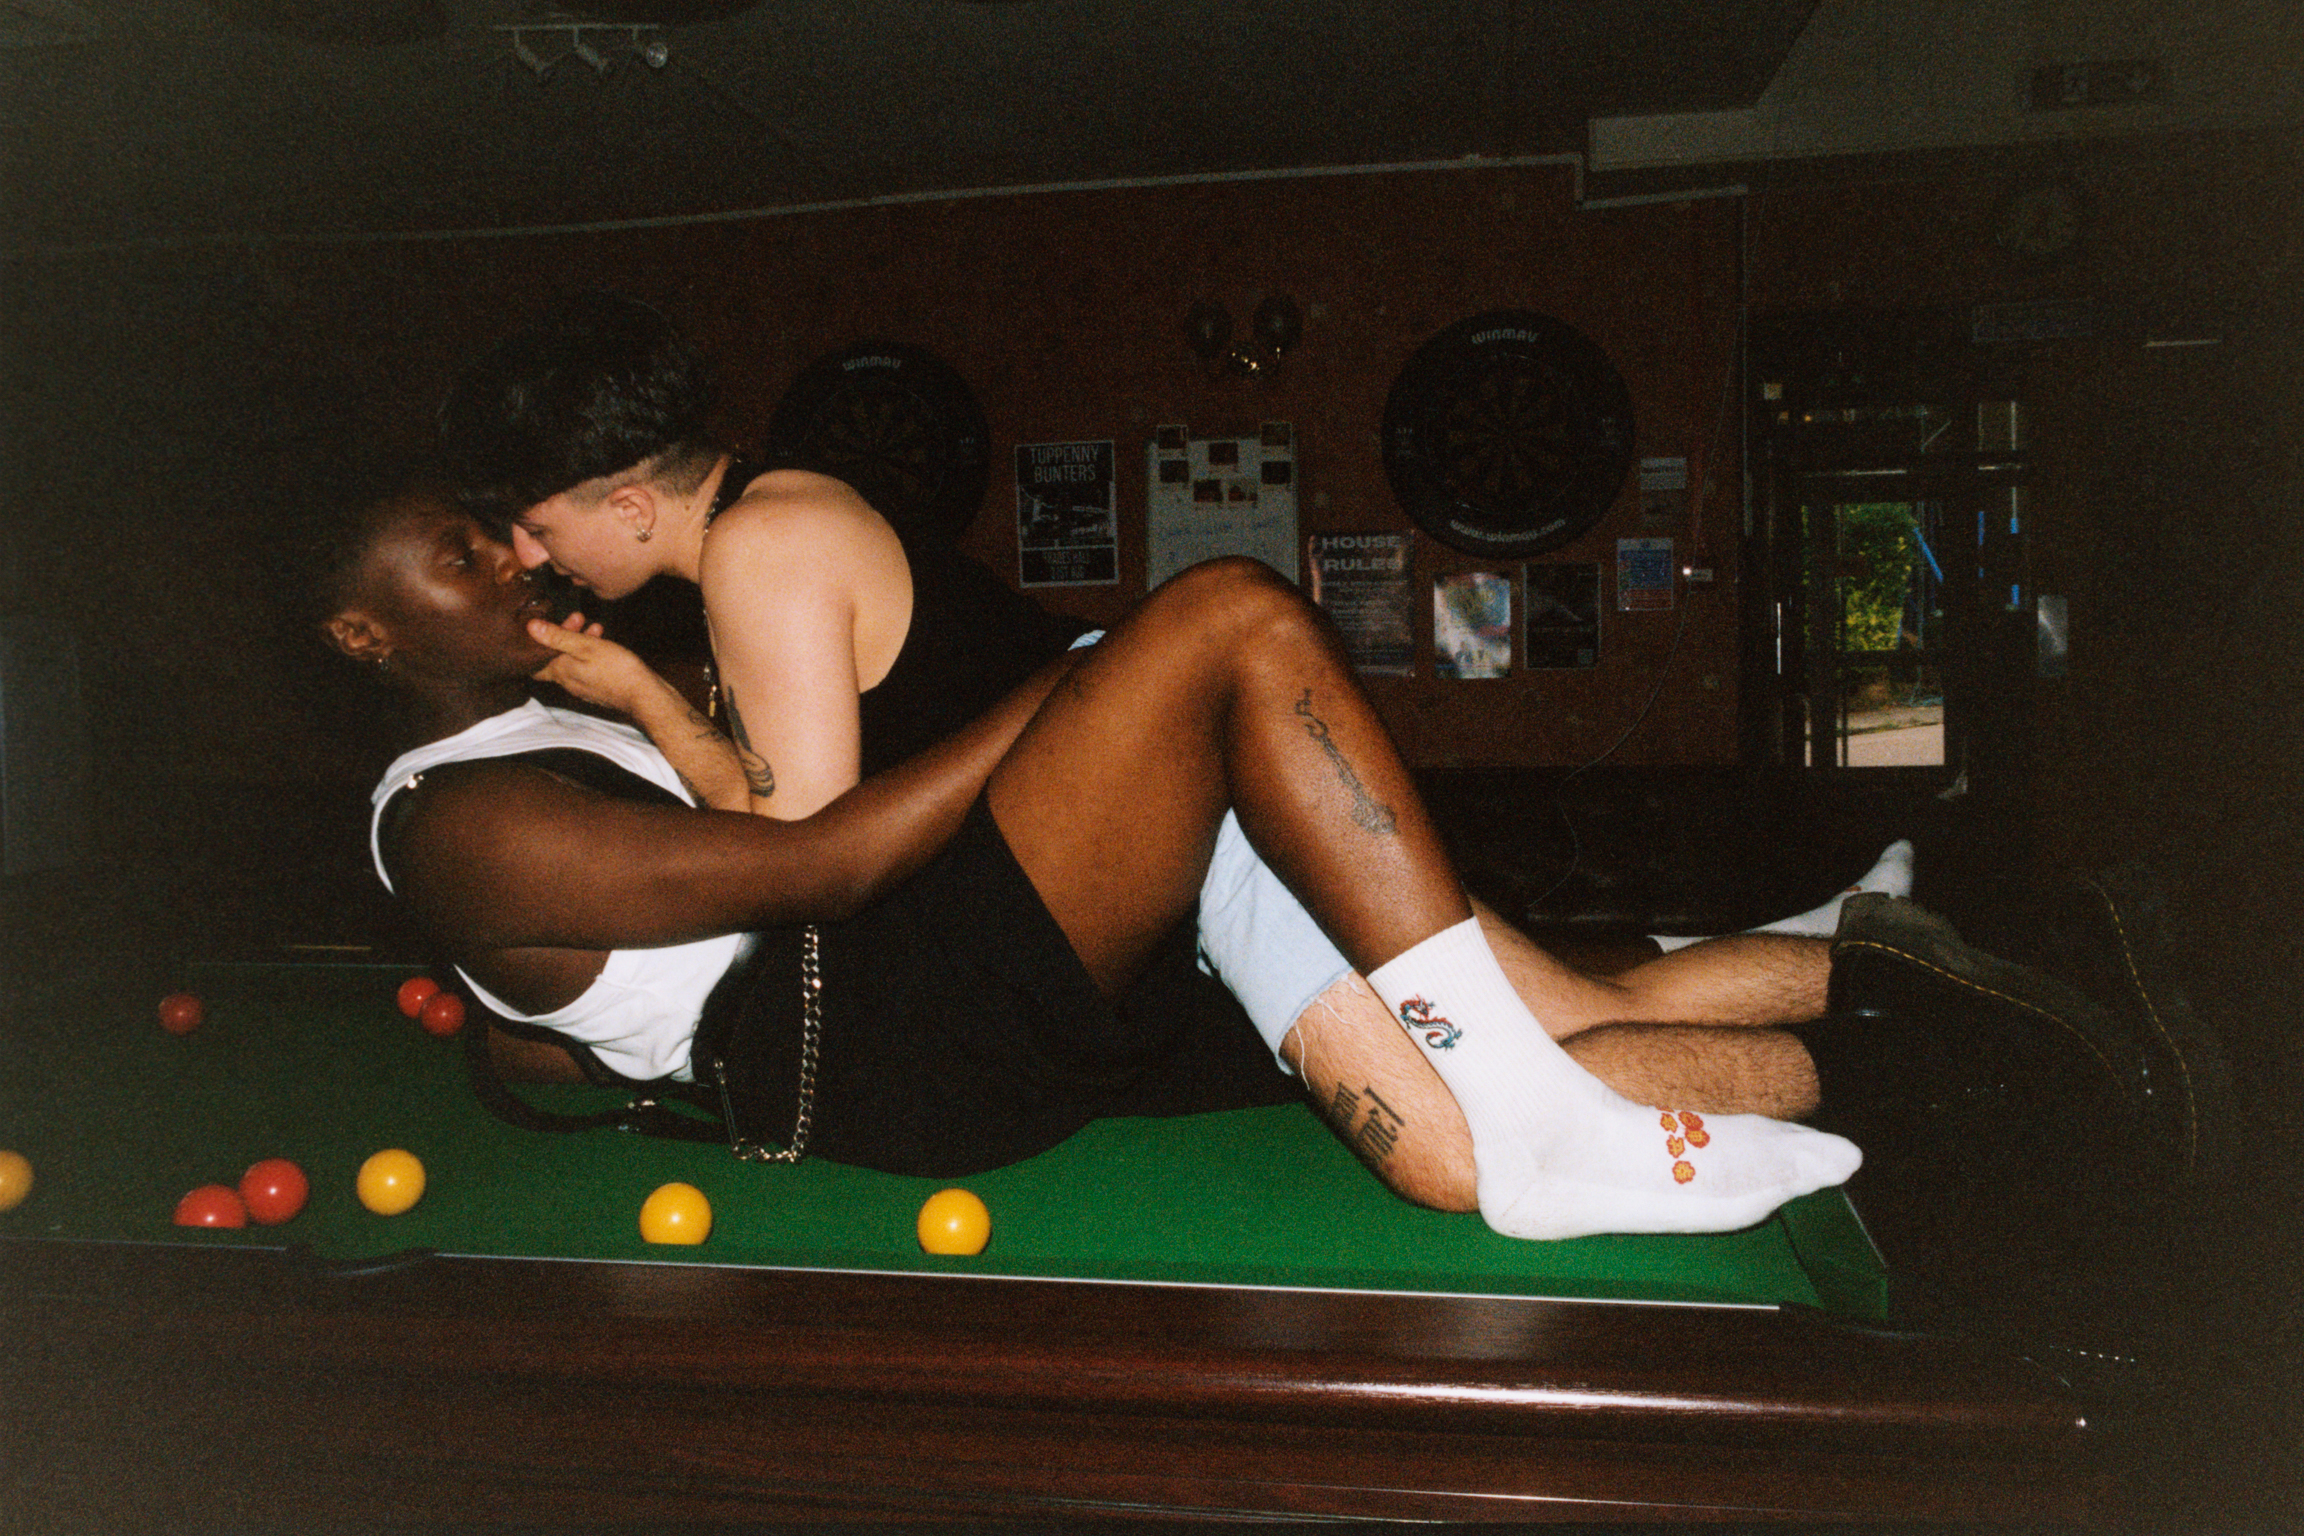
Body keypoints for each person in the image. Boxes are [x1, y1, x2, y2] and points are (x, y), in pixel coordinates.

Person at [433, 293, 1897, 1163]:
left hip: (1142, 894)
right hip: (1179, 870)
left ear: (628, 498)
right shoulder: (789, 512)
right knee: (1565, 1006)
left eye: (539, 519)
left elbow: (804, 849)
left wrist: (644, 710)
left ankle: (1910, 1039)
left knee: (1482, 1092)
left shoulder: (754, 554)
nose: (537, 553)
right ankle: (1869, 962)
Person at [316, 482, 1866, 1240]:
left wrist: (653, 703)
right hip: (872, 1033)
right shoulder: (459, 820)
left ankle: (1889, 1018)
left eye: (499, 533)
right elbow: (827, 871)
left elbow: (597, 979)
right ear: (365, 638)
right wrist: (1089, 678)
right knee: (1224, 617)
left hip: (910, 1010)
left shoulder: (542, 743)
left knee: (1511, 1051)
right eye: (466, 557)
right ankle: (1554, 1122)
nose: (515, 556)